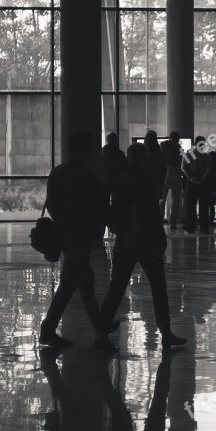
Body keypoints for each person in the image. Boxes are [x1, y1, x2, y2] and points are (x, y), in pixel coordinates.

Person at [95, 143, 187, 352]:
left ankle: (101, 332)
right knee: (158, 289)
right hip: (147, 243)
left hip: (125, 242)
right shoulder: (146, 181)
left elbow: (106, 204)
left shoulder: (119, 181)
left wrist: (114, 224)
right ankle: (165, 332)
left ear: (128, 159)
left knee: (116, 288)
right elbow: (152, 216)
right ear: (144, 160)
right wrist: (161, 240)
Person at [40, 131, 104, 347]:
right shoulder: (87, 175)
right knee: (71, 284)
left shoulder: (58, 172)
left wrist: (61, 224)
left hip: (65, 234)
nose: (94, 149)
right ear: (83, 149)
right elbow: (96, 208)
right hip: (79, 236)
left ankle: (100, 325)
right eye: (91, 145)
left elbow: (50, 203)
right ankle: (49, 329)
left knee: (84, 280)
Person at [181, 135, 212, 233]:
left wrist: (191, 178)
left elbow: (184, 168)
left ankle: (190, 227)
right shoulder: (207, 156)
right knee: (204, 205)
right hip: (203, 182)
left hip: (191, 182)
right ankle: (203, 227)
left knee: (190, 205)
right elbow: (208, 169)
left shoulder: (188, 154)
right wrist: (202, 179)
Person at [160, 132, 184, 229]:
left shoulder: (164, 144)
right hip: (177, 172)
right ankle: (172, 222)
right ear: (178, 139)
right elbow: (184, 159)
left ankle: (160, 220)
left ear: (170, 137)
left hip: (166, 171)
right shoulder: (180, 147)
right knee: (176, 199)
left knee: (162, 198)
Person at [101, 132, 127, 213]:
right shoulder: (120, 153)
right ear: (116, 141)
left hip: (105, 180)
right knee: (117, 201)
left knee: (105, 201)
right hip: (117, 180)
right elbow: (124, 168)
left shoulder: (102, 152)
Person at [144, 130, 167, 217]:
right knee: (156, 202)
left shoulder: (144, 153)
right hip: (157, 181)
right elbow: (164, 169)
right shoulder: (160, 153)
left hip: (145, 182)